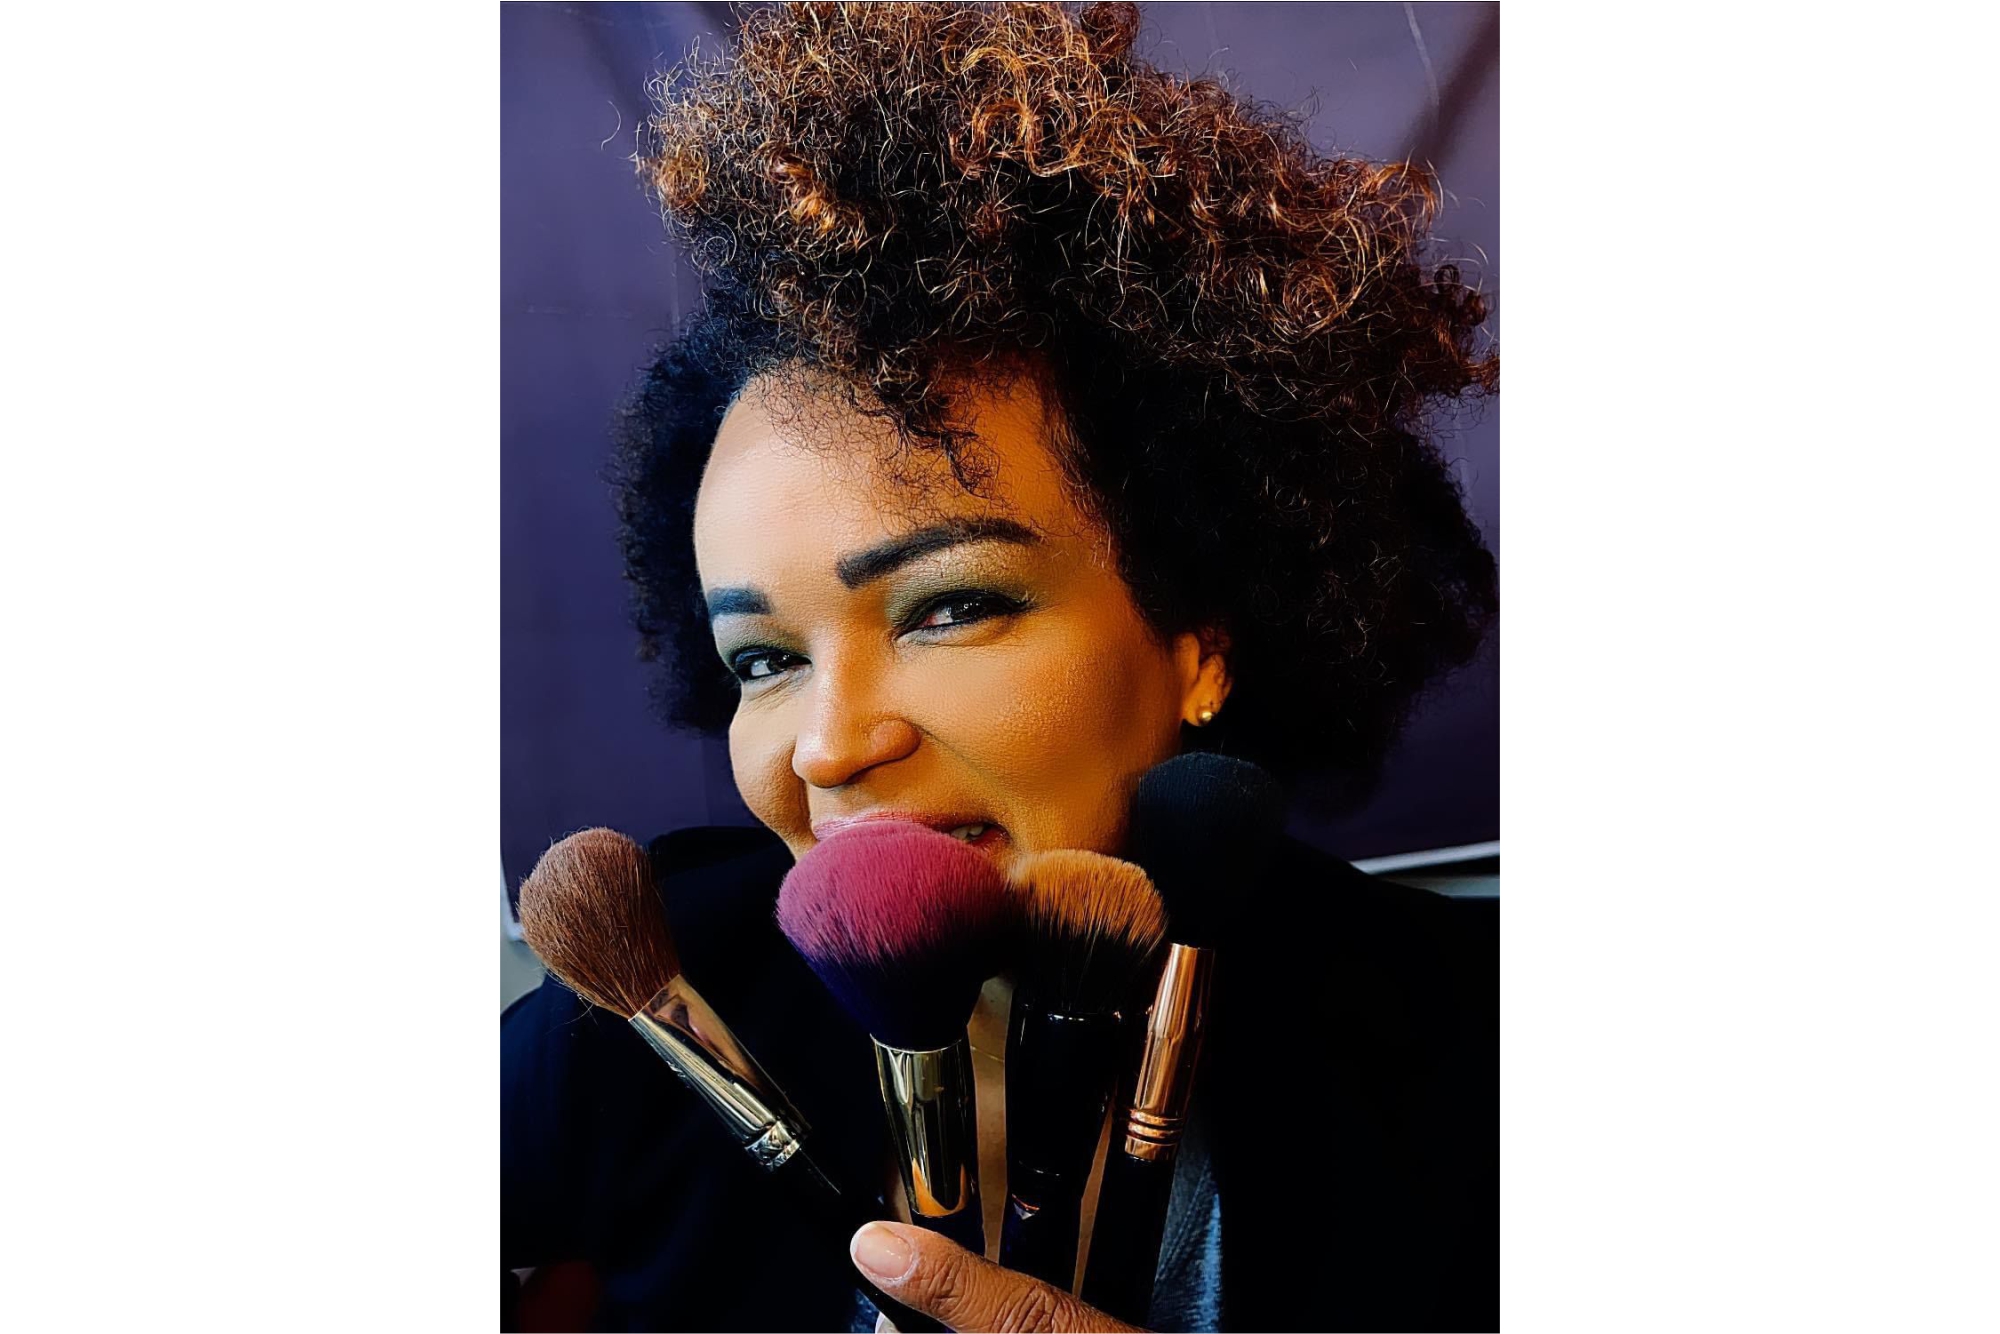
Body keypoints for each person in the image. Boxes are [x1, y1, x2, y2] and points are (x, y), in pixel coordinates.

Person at [503, 4, 1496, 1329]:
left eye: (949, 607)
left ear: (1200, 638)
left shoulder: (1470, 1037)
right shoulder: (643, 1009)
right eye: (763, 658)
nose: (828, 745)